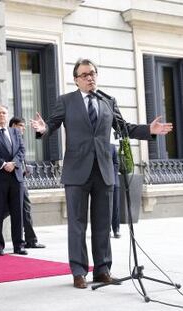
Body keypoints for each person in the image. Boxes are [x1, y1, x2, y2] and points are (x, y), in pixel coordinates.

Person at [30, 58, 172, 288]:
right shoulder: (66, 101)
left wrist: (149, 130)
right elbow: (52, 125)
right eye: (85, 74)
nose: (90, 78)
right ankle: (78, 272)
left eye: (93, 73)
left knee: (103, 223)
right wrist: (43, 128)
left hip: (104, 170)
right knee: (77, 224)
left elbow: (124, 128)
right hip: (76, 172)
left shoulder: (107, 101)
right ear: (76, 80)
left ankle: (102, 270)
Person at [0, 117, 45, 249]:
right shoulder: (1, 136)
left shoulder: (17, 137)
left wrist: (40, 131)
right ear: (13, 125)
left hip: (20, 178)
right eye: (21, 126)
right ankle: (30, 239)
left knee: (20, 209)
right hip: (6, 178)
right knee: (9, 210)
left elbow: (27, 149)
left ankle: (30, 239)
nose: (23, 128)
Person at [0, 105, 27, 256]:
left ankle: (18, 245)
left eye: (4, 113)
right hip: (0, 178)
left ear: (8, 115)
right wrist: (3, 164)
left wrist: (13, 163)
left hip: (16, 177)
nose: (2, 115)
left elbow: (22, 150)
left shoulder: (15, 131)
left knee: (17, 212)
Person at [111, 144, 121, 239]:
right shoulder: (97, 146)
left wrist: (110, 173)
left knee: (115, 208)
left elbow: (116, 163)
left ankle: (116, 229)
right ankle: (107, 230)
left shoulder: (112, 147)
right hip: (101, 184)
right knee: (104, 208)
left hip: (114, 182)